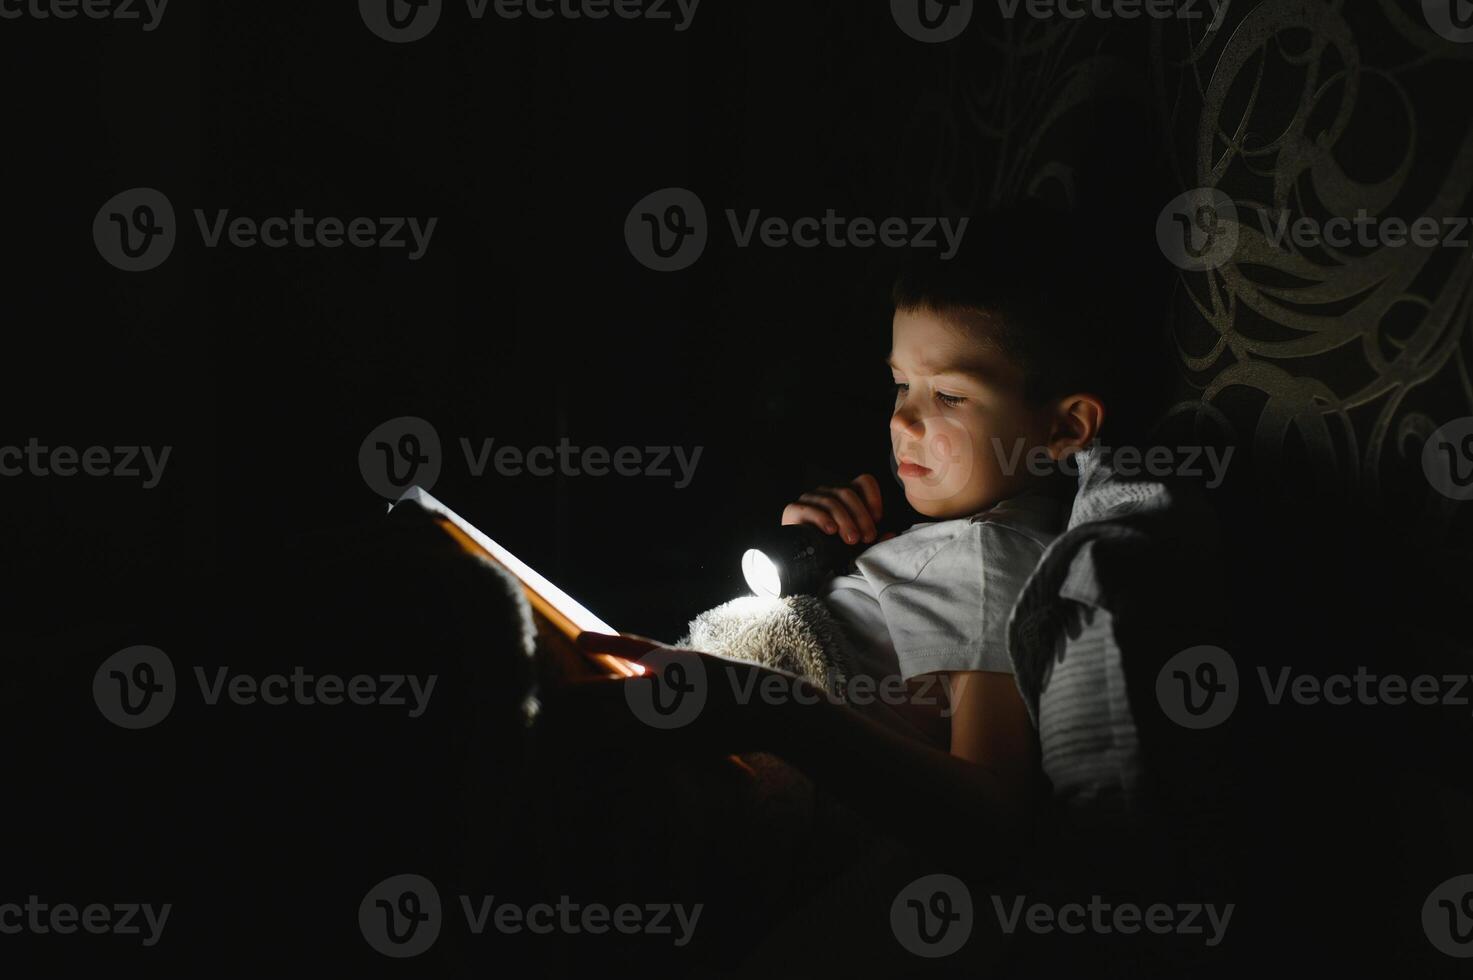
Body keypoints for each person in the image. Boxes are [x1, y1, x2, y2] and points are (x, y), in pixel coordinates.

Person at [550, 206, 1166, 863]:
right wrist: (812, 567)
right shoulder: (943, 545)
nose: (902, 419)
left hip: (712, 814)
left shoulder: (991, 560)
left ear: (1064, 430)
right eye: (900, 384)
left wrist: (768, 708)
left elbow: (990, 811)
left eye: (950, 397)